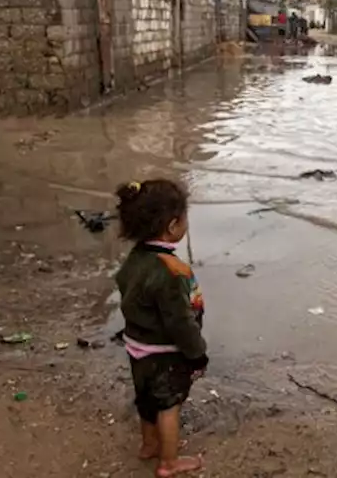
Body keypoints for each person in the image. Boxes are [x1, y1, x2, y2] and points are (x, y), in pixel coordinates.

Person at [112, 179, 207, 477]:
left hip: (136, 347)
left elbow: (127, 291)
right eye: (185, 219)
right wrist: (197, 353)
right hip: (166, 352)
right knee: (168, 405)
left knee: (146, 400)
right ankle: (168, 462)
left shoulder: (134, 260)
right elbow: (179, 321)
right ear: (172, 225)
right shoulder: (171, 270)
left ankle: (149, 445)